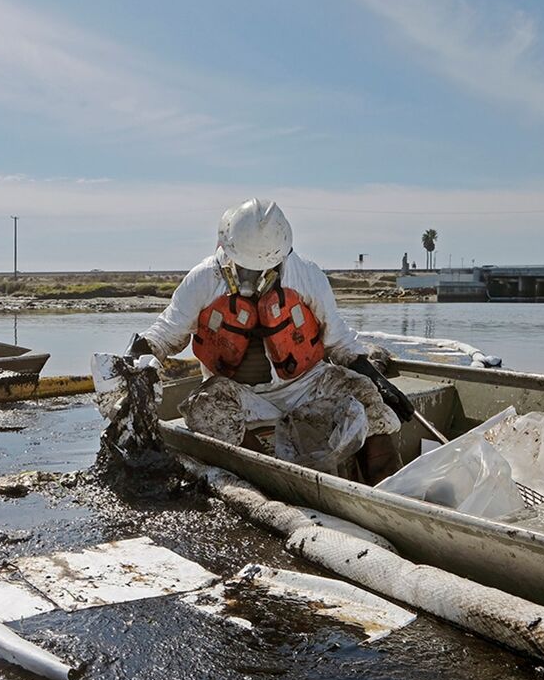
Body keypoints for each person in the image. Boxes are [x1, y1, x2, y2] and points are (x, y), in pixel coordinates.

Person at [123, 199, 414, 484]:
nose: (252, 277)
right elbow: (165, 332)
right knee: (204, 407)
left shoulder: (306, 275)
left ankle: (386, 483)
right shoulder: (204, 279)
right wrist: (138, 355)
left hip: (306, 385)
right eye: (245, 268)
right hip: (241, 394)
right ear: (227, 250)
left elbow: (338, 340)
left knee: (362, 392)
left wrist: (375, 378)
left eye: (261, 269)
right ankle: (271, 479)